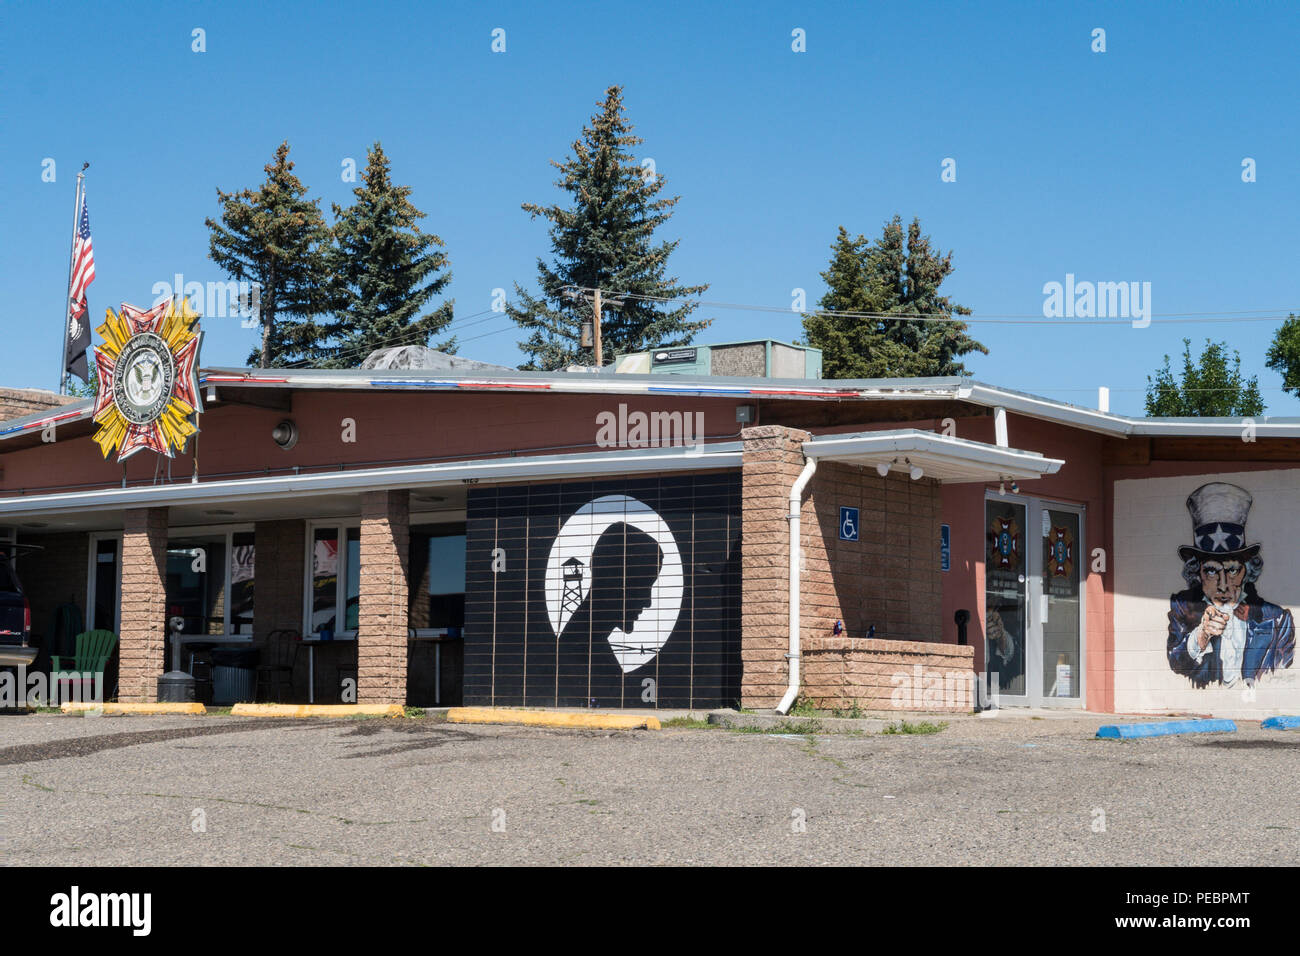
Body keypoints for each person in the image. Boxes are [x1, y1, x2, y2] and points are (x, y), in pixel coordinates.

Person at [1167, 483, 1295, 688]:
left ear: (1247, 571)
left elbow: (1281, 677)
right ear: (1197, 573)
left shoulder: (1277, 620)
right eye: (1211, 571)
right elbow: (1176, 663)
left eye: (1233, 570)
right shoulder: (1183, 607)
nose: (1224, 585)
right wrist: (1202, 635)